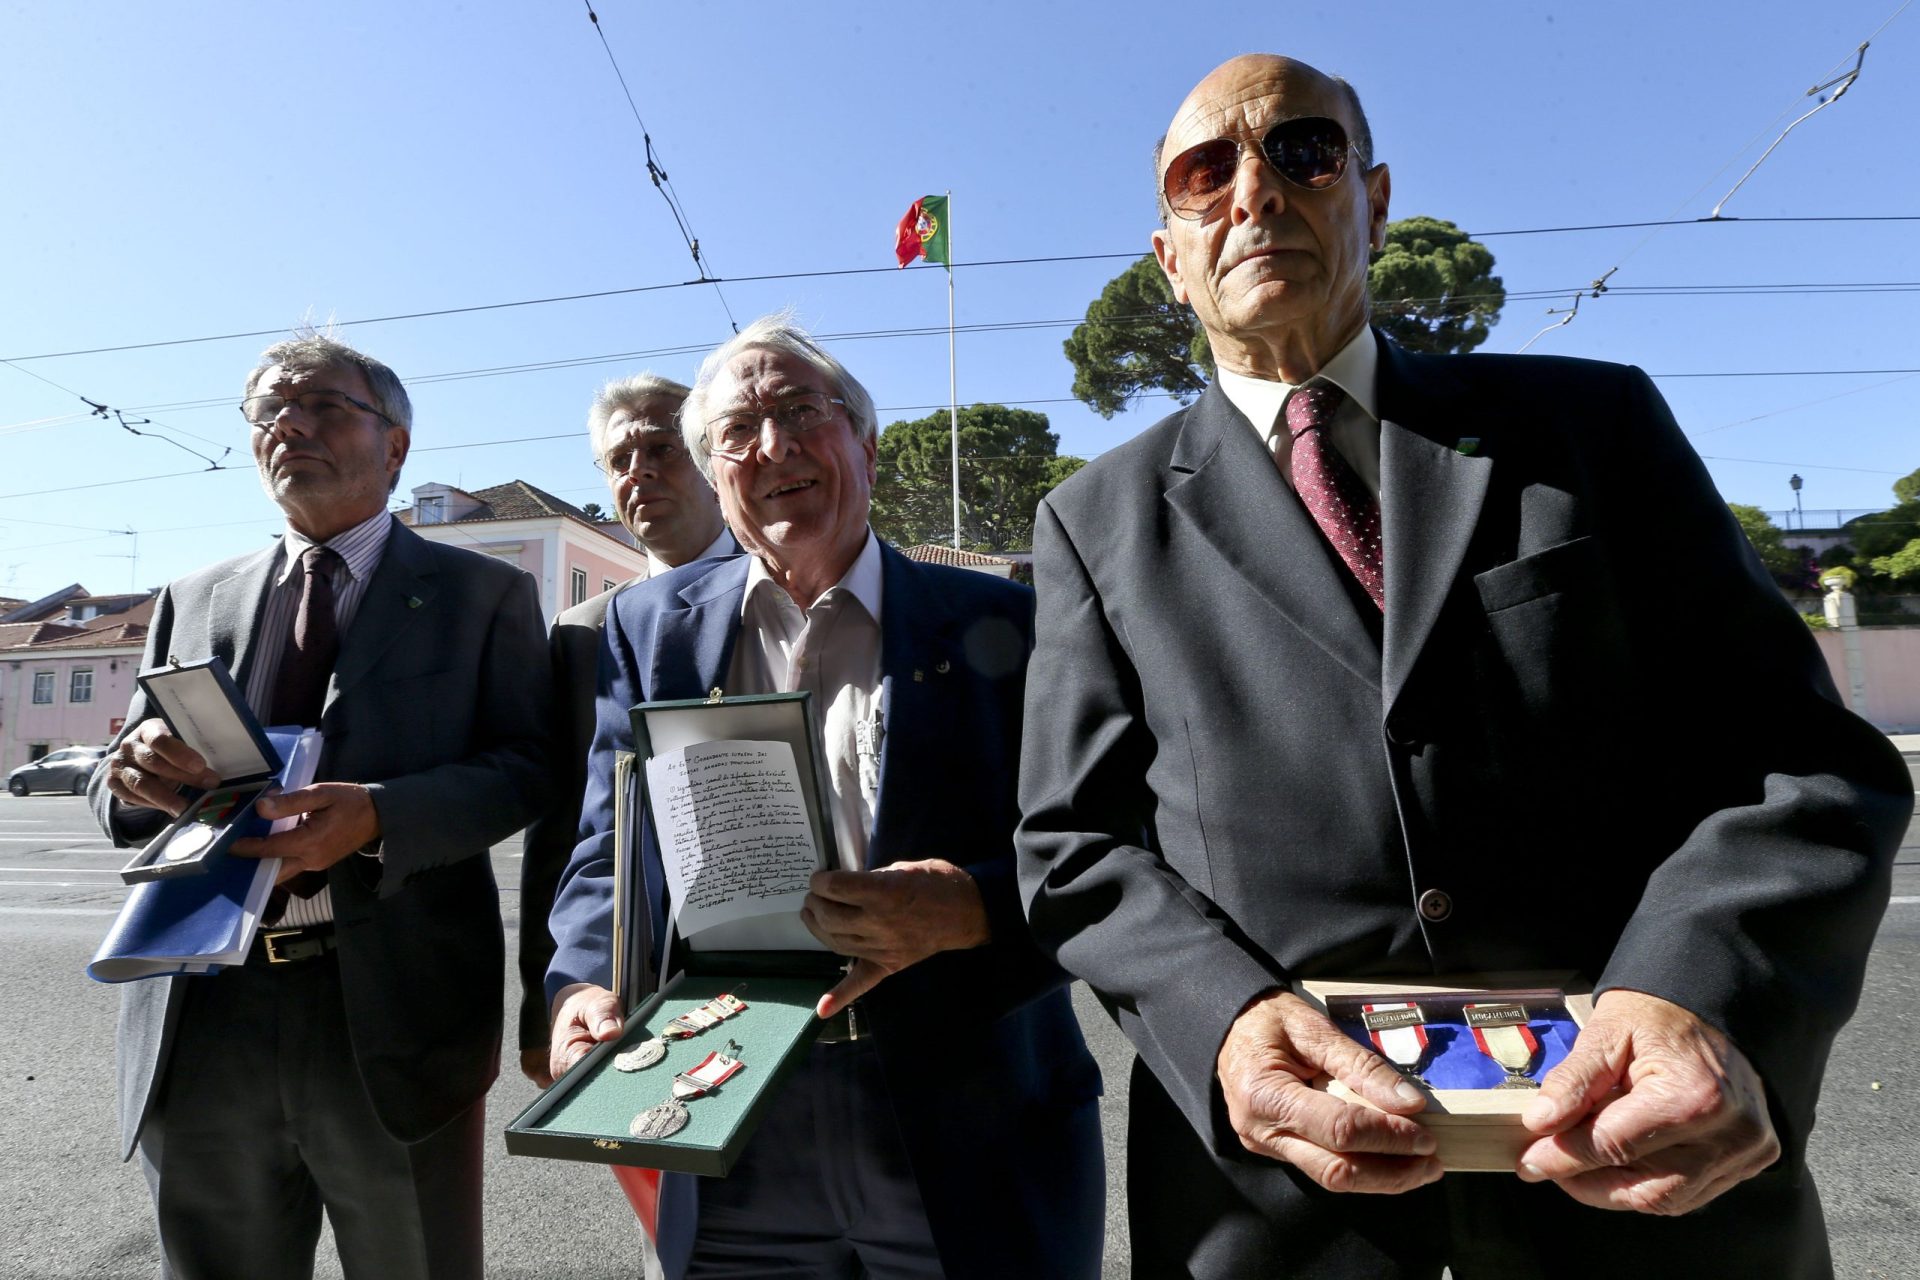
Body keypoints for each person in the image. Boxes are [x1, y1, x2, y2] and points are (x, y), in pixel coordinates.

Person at [1014, 54, 1911, 1279]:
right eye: (1204, 172)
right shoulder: (1092, 520)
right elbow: (1073, 844)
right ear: (1168, 259)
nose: (1256, 193)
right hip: (1286, 1216)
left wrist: (1702, 995)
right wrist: (1225, 1024)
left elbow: (1804, 759)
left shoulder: (1597, 428)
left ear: (1375, 201)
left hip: (1641, 1188)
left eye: (1304, 152)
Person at [545, 315, 1103, 1279]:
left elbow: (1102, 846)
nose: (774, 448)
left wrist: (973, 909)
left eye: (804, 411)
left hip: (967, 1119)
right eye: (737, 432)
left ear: (869, 444)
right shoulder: (649, 631)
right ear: (717, 477)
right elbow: (608, 843)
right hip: (732, 1125)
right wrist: (584, 983)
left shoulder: (1008, 623)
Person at [91, 332, 550, 1280]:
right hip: (201, 1013)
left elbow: (528, 766)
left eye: (324, 407)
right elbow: (117, 784)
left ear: (395, 446)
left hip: (390, 1013)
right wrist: (130, 773)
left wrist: (382, 815)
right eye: (269, 412)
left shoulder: (483, 593)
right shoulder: (191, 596)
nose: (289, 425)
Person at [516, 372, 735, 1088]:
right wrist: (547, 1001)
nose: (637, 471)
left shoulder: (788, 587)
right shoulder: (582, 633)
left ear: (709, 455)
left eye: (660, 448)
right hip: (634, 985)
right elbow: (564, 828)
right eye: (618, 461)